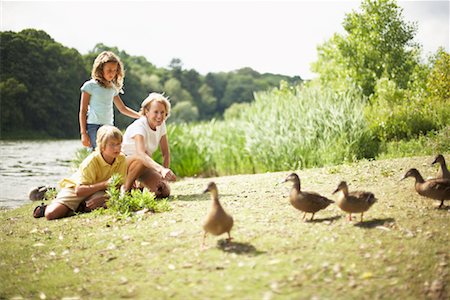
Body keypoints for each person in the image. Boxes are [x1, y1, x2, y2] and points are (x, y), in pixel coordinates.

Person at [34, 125, 127, 220]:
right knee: (51, 214)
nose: (117, 148)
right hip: (77, 188)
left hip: (99, 191)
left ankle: (81, 207)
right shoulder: (91, 162)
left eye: (119, 144)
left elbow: (120, 186)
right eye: (112, 144)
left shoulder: (121, 159)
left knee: (103, 203)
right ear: (102, 146)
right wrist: (104, 184)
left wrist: (104, 198)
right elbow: (79, 191)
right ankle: (48, 207)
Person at [79, 51, 140, 150]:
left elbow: (122, 108)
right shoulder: (90, 86)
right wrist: (83, 133)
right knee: (98, 154)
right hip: (94, 126)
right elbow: (83, 111)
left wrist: (140, 116)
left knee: (111, 154)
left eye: (115, 70)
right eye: (109, 70)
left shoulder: (113, 88)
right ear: (100, 69)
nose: (112, 73)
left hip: (109, 126)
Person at [121, 92, 176, 198]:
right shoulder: (140, 126)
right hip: (125, 164)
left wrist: (164, 176)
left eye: (162, 112)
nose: (159, 116)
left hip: (144, 165)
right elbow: (141, 154)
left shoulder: (161, 125)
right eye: (156, 112)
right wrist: (160, 169)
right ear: (146, 111)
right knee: (144, 156)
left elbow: (165, 153)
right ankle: (126, 189)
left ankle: (139, 188)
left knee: (163, 191)